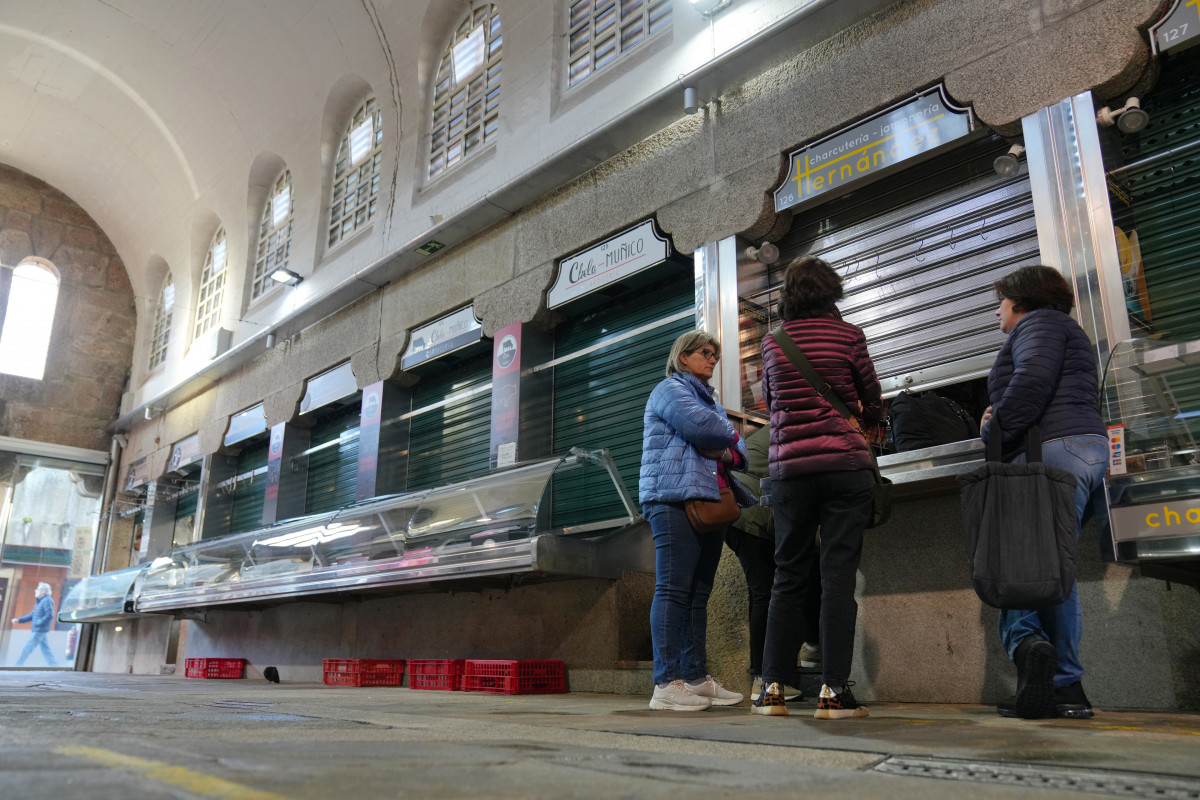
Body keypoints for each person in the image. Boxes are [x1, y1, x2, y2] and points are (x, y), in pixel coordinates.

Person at [752, 256, 883, 720]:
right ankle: (832, 691)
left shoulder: (773, 341)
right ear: (833, 292)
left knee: (787, 577)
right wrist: (866, 423)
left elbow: (768, 399)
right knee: (837, 578)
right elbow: (871, 396)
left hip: (790, 471)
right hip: (843, 467)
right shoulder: (848, 335)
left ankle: (771, 688)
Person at [980, 265, 1107, 720]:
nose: (997, 312)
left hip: (1051, 453)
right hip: (1085, 450)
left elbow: (1032, 381)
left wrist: (994, 427)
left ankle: (1035, 653)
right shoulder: (1065, 329)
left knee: (1020, 565)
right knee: (1052, 567)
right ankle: (1065, 687)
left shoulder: (1040, 324)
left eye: (1000, 303)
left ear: (1020, 302)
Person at [639, 330, 754, 711]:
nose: (712, 360)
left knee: (698, 594)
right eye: (705, 353)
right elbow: (711, 431)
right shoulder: (670, 391)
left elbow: (741, 454)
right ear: (683, 357)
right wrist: (723, 439)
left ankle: (693, 677)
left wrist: (721, 446)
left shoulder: (708, 401)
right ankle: (665, 683)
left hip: (710, 500)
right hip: (672, 500)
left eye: (715, 356)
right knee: (673, 588)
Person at [725, 424, 819, 702]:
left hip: (738, 508)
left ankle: (765, 676)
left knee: (764, 592)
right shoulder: (802, 427)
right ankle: (768, 679)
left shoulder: (782, 422)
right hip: (754, 511)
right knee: (768, 592)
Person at [12, 582, 59, 667]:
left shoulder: (47, 600)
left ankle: (17, 665)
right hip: (40, 629)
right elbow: (32, 615)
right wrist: (19, 620)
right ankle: (54, 666)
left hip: (39, 629)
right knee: (46, 650)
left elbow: (50, 614)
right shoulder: (41, 601)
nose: (35, 590)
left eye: (38, 589)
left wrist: (39, 622)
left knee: (27, 648)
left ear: (43, 591)